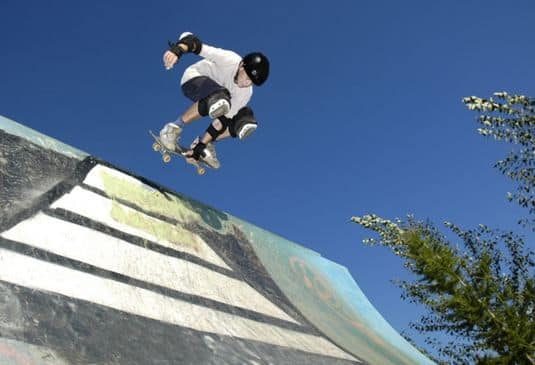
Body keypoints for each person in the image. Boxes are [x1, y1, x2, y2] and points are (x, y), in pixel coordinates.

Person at [159, 32, 270, 168]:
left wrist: (200, 146)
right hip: (193, 80)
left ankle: (204, 145)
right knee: (221, 97)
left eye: (251, 82)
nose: (246, 83)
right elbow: (195, 44)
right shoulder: (229, 59)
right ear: (241, 65)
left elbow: (222, 121)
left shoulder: (245, 93)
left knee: (243, 118)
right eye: (247, 77)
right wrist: (178, 50)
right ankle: (172, 129)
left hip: (218, 99)